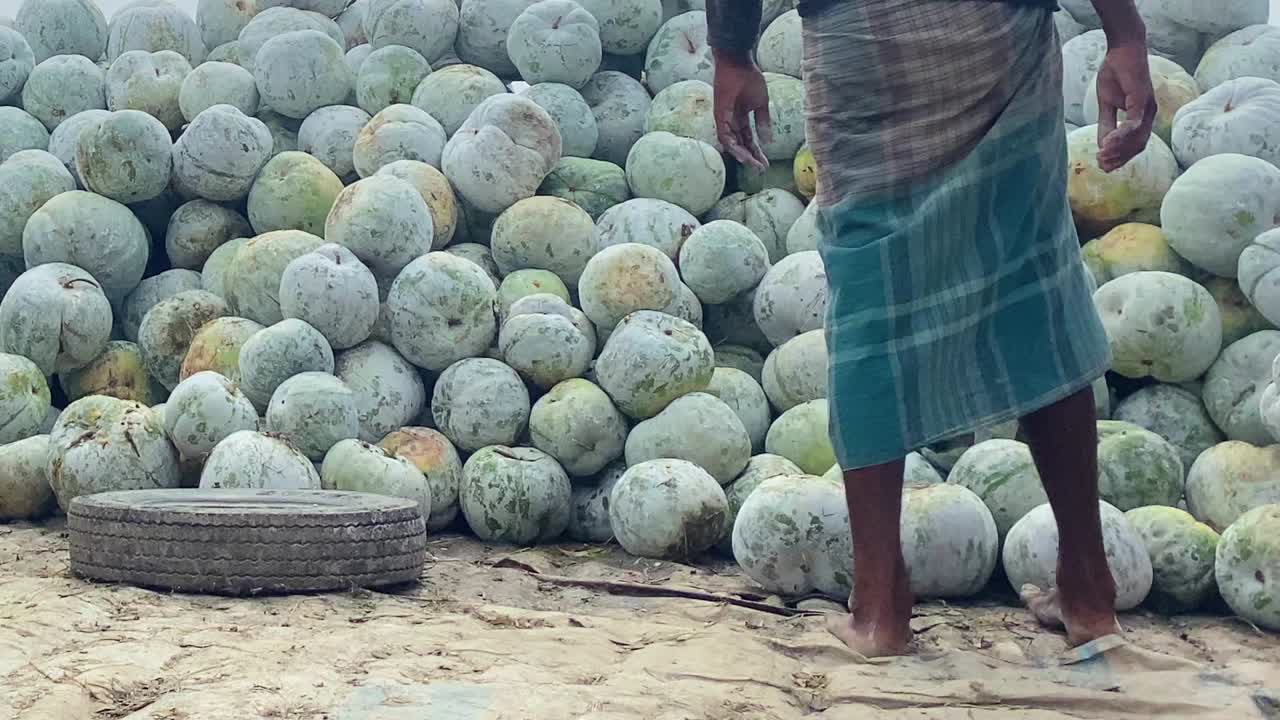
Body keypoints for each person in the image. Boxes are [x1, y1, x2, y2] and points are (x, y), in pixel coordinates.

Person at [708, 0, 1157, 657]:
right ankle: (1089, 590)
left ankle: (879, 606)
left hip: (863, 41)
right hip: (996, 34)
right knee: (1032, 283)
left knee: (871, 301)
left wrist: (731, 52)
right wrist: (1124, 33)